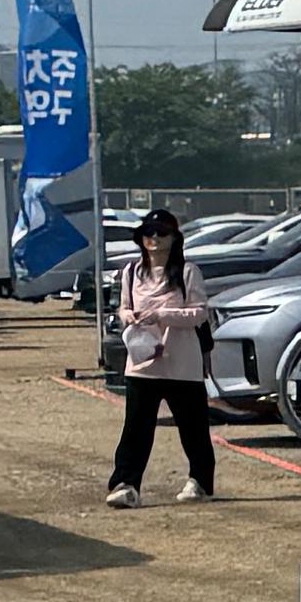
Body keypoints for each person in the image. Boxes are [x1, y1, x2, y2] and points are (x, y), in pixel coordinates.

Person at [104, 210, 221, 509]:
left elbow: (199, 313)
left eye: (162, 232)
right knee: (136, 428)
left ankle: (200, 480)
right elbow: (123, 307)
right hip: (143, 362)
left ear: (174, 238)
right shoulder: (131, 272)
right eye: (149, 232)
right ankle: (126, 484)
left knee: (192, 427)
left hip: (181, 362)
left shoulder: (188, 272)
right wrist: (128, 316)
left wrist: (162, 315)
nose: (154, 238)